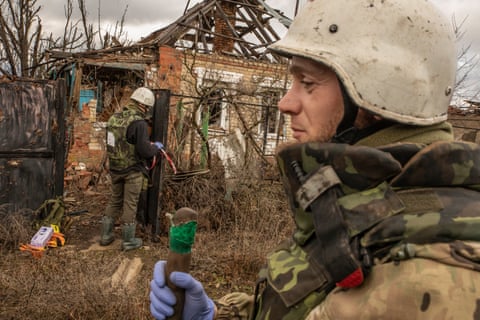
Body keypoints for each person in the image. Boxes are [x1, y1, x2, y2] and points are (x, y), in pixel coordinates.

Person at [150, 0, 480, 319]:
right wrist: (220, 314)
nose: (285, 103)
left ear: (378, 94)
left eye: (307, 83)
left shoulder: (425, 281)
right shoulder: (369, 204)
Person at [100, 87, 164, 251]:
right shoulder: (139, 123)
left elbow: (111, 142)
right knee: (130, 204)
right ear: (144, 105)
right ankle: (128, 241)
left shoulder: (114, 118)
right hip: (132, 170)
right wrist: (156, 148)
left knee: (115, 200)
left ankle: (105, 236)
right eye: (148, 108)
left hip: (115, 169)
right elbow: (144, 151)